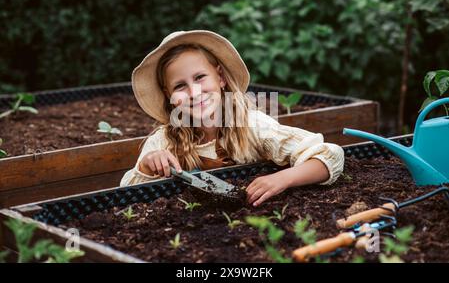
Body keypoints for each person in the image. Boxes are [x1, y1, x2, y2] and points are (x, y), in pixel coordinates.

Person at [120, 30, 344, 206]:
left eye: (200, 77)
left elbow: (329, 155)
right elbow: (124, 196)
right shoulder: (163, 142)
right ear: (169, 95)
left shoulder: (251, 126)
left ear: (220, 77)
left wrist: (282, 179)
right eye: (180, 86)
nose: (194, 92)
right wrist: (148, 168)